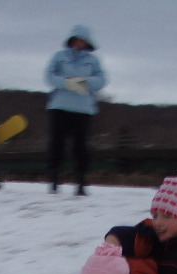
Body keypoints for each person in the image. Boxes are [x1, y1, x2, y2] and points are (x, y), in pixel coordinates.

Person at [44, 24, 107, 196]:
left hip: (83, 109)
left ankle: (80, 181)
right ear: (72, 40)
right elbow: (48, 76)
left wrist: (84, 82)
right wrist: (65, 82)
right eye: (77, 40)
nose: (80, 43)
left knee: (81, 146)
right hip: (60, 106)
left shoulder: (93, 61)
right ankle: (54, 179)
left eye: (83, 41)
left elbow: (102, 80)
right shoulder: (59, 56)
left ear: (87, 43)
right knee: (57, 144)